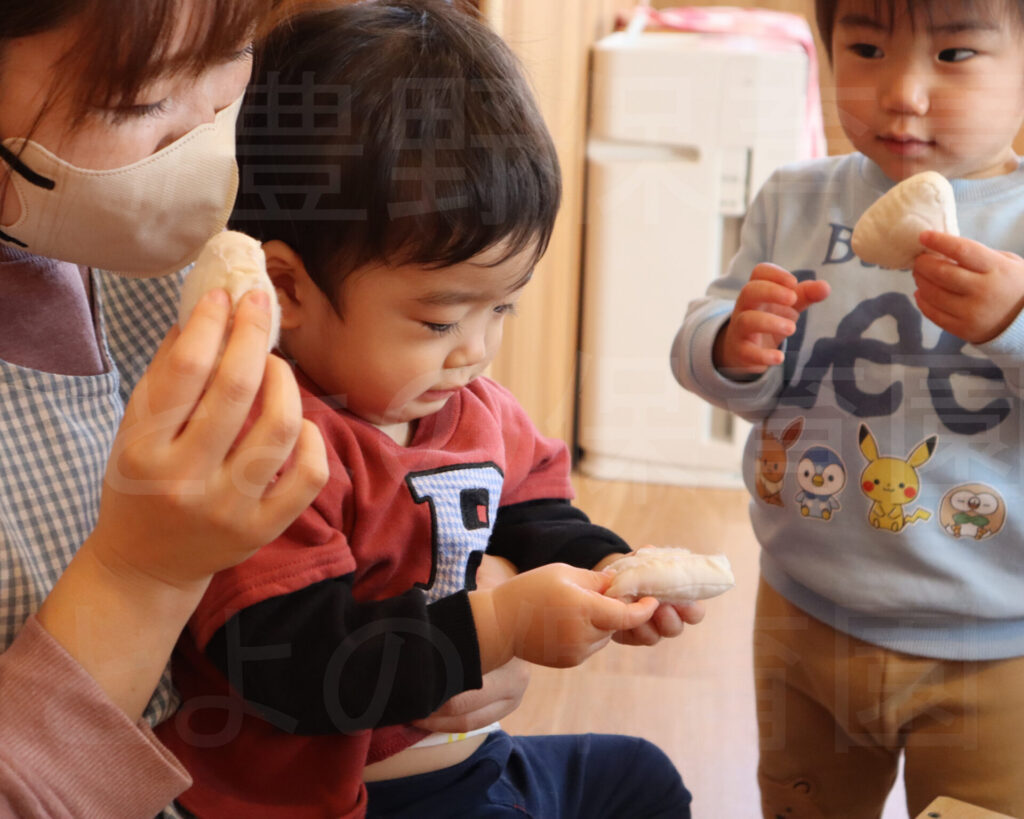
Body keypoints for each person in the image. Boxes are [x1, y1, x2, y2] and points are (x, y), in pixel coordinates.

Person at [155, 2, 701, 817]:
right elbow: (297, 670)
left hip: (474, 761)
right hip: (350, 800)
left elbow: (535, 512)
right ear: (288, 288)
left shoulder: (471, 408)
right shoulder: (269, 445)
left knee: (643, 779)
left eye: (501, 308)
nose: (475, 350)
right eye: (440, 321)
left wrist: (608, 566)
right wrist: (498, 626)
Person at [0, 2, 527, 816]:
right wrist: (142, 575)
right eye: (141, 100)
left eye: (231, 58)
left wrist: (484, 615)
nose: (212, 135)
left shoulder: (188, 263)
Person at [671, 0, 1024, 814]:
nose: (901, 92)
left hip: (996, 645)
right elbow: (708, 342)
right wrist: (731, 344)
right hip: (805, 615)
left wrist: (1013, 321)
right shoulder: (794, 199)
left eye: (955, 56)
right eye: (865, 47)